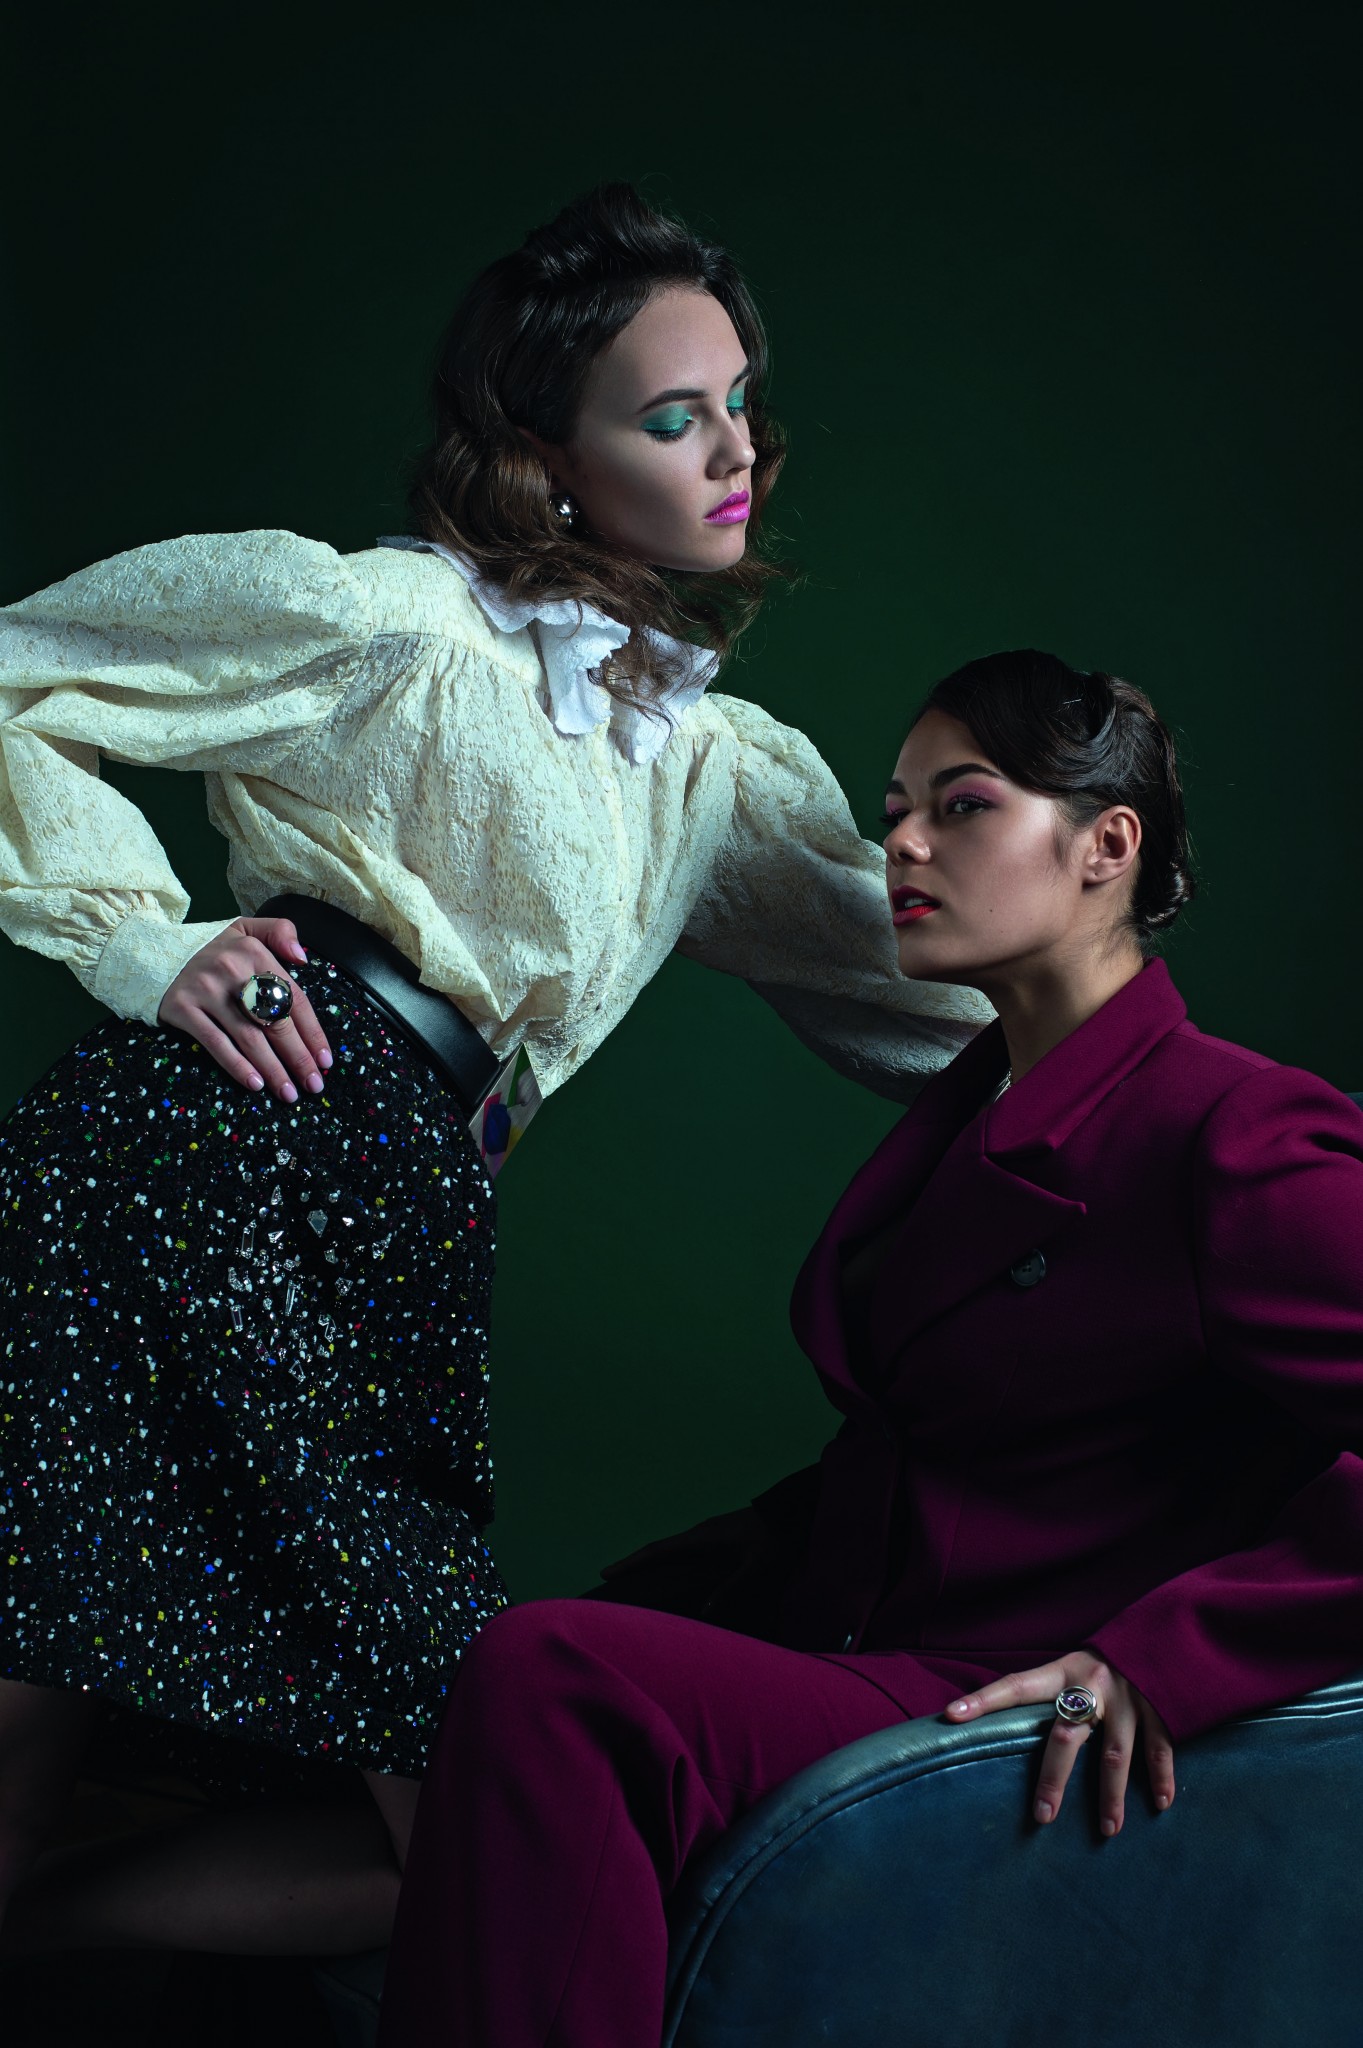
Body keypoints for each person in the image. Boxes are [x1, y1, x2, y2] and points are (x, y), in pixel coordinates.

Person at [0, 185, 989, 1954]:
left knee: (386, 1793)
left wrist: (1202, 1121)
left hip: (390, 1215)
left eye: (740, 402)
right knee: (156, 1700)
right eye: (672, 416)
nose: (735, 451)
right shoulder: (392, 622)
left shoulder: (702, 762)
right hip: (219, 1164)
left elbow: (930, 999)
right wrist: (144, 943)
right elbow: (19, 674)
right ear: (543, 454)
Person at [375, 648, 1363, 2048]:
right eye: (895, 809)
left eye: (963, 806)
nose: (902, 841)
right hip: (858, 1640)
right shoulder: (977, 1105)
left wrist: (1164, 1658)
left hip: (994, 1691)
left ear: (1108, 846)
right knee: (454, 1683)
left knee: (558, 1681)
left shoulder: (1233, 1131)